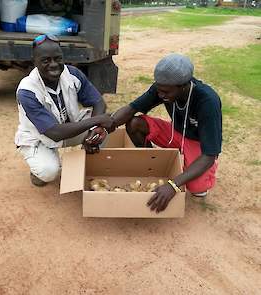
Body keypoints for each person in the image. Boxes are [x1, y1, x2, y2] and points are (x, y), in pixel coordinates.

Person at [88, 53, 222, 213]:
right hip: (175, 133)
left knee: (197, 188)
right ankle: (155, 165)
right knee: (135, 123)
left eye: (166, 92)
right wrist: (107, 126)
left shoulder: (207, 101)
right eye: (159, 90)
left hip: (196, 142)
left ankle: (188, 168)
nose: (160, 95)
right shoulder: (163, 87)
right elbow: (132, 108)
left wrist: (173, 185)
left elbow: (209, 154)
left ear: (184, 85)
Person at [15, 34, 112, 186]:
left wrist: (94, 130)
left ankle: (86, 162)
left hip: (69, 128)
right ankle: (39, 167)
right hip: (41, 138)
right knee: (48, 171)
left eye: (58, 58)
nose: (53, 64)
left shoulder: (72, 73)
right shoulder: (27, 90)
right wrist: (97, 121)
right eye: (46, 60)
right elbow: (54, 133)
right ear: (35, 62)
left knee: (105, 131)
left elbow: (98, 102)